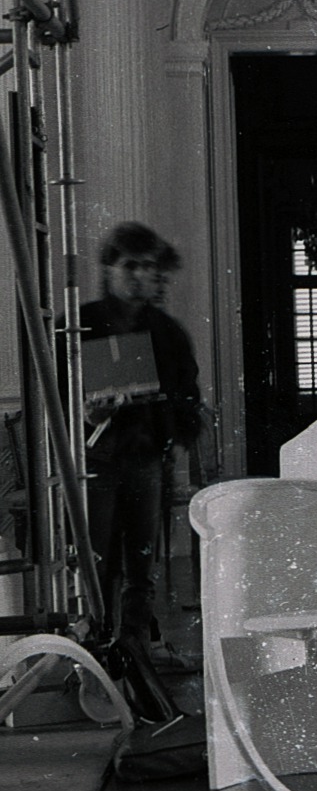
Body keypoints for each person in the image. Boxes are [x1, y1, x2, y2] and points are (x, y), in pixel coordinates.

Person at [80, 222, 201, 650]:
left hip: (147, 460)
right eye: (129, 266)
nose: (138, 277)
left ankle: (133, 650)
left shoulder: (168, 334)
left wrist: (171, 438)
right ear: (109, 269)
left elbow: (189, 397)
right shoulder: (79, 326)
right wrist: (90, 416)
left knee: (141, 567)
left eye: (147, 267)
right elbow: (53, 402)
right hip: (94, 463)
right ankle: (97, 648)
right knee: (98, 566)